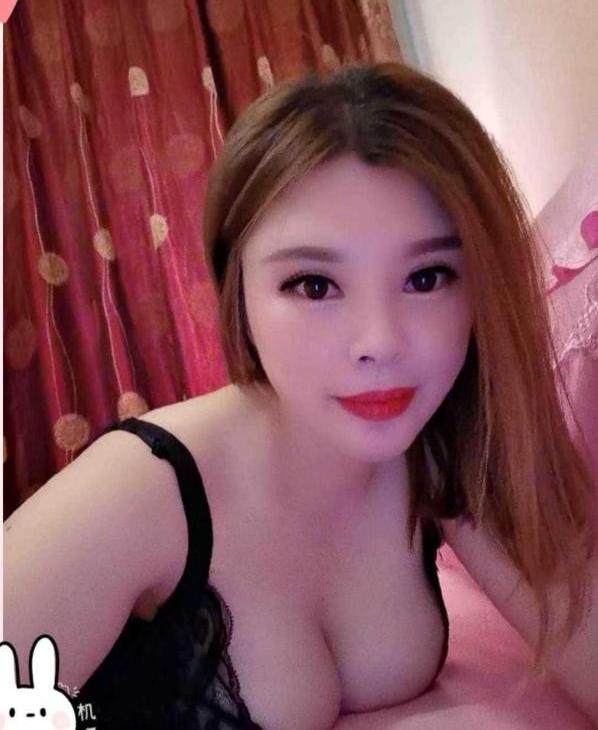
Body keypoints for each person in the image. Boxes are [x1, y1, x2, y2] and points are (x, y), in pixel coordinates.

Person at [3, 61, 597, 730]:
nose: (379, 342)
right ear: (238, 290)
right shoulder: (136, 495)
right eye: (314, 285)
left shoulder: (448, 447)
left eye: (427, 277)